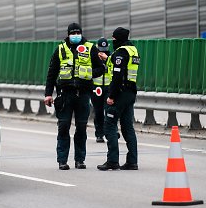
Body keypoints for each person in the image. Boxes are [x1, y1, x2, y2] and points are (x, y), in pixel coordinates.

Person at [44, 22, 105, 170]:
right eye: (73, 33)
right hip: (65, 94)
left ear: (81, 33)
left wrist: (89, 73)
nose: (76, 35)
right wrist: (48, 94)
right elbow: (52, 73)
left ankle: (80, 160)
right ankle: (62, 160)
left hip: (83, 94)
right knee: (63, 127)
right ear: (68, 34)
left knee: (81, 128)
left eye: (78, 33)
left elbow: (101, 68)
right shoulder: (60, 49)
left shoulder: (90, 48)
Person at [97, 27, 140, 171]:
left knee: (109, 125)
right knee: (128, 127)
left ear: (119, 39)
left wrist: (111, 96)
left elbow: (117, 76)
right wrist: (108, 58)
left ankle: (112, 161)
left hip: (119, 93)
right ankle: (132, 161)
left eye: (114, 39)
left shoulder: (121, 52)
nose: (113, 41)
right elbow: (122, 66)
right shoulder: (133, 50)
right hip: (130, 93)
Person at [91, 37, 112, 143]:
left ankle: (110, 132)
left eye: (105, 48)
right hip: (96, 88)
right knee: (98, 111)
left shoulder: (111, 56)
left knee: (109, 111)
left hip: (108, 87)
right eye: (101, 48)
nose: (103, 51)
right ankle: (99, 134)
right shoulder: (93, 57)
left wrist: (107, 59)